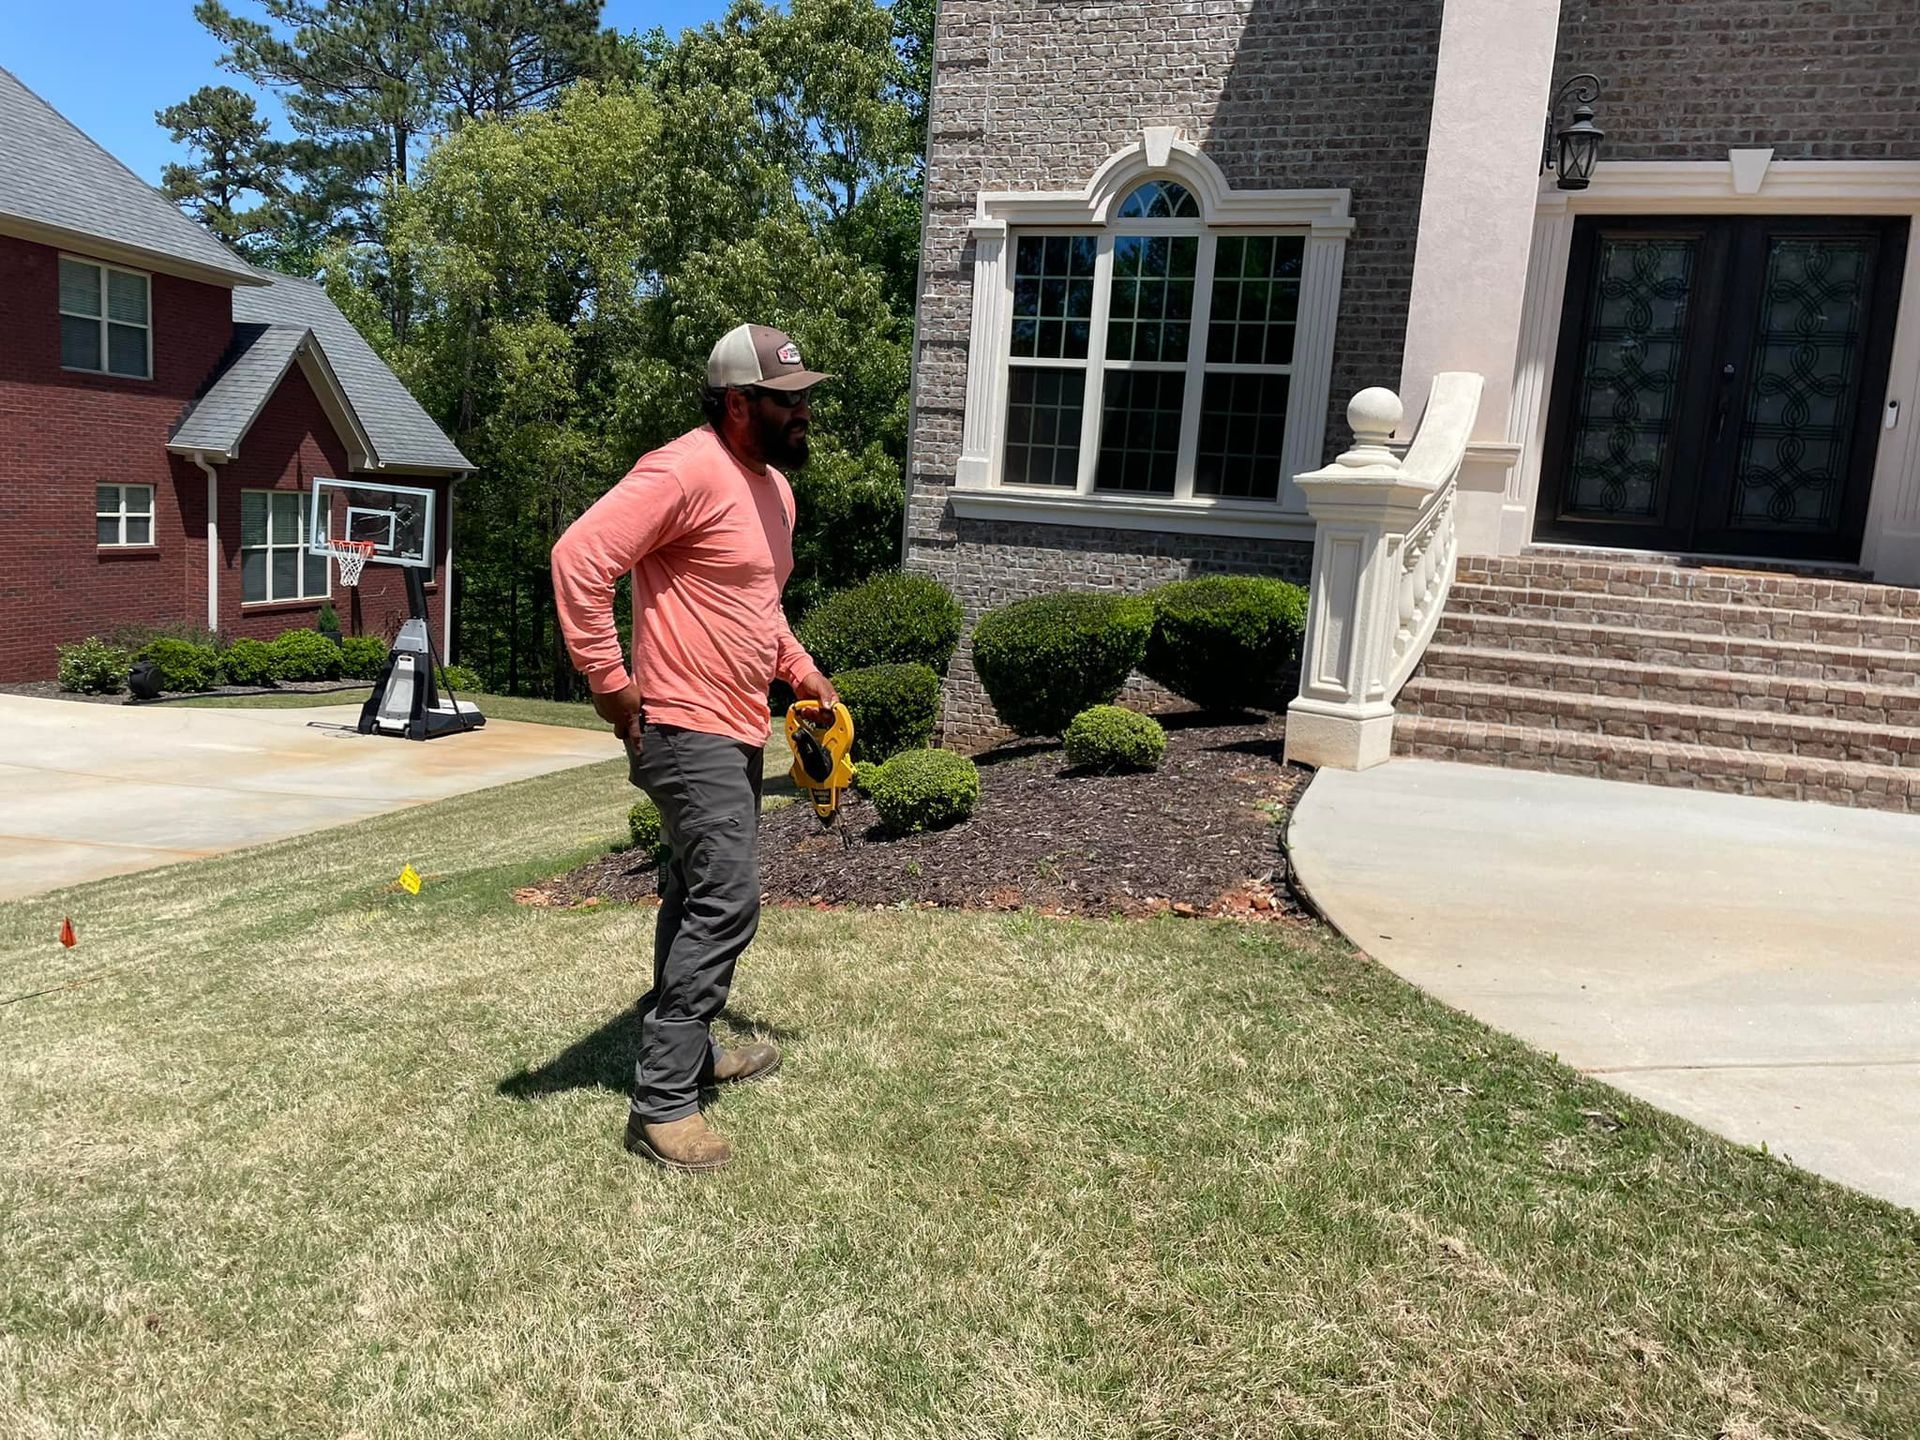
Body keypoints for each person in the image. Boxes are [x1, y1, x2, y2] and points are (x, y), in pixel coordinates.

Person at [551, 323, 840, 1173]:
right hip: (682, 723)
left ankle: (691, 1052)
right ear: (739, 401)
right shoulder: (682, 468)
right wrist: (608, 679)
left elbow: (760, 608)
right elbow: (579, 557)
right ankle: (664, 1102)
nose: (804, 412)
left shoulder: (774, 491)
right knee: (728, 899)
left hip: (739, 721)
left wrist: (802, 671)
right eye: (788, 399)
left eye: (806, 396)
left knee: (692, 893)